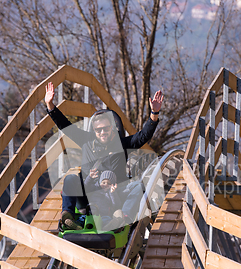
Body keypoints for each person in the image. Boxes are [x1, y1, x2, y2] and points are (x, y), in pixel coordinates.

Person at [44, 82, 163, 230]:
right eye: (98, 130)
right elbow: (65, 126)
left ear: (113, 129)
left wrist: (154, 114)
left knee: (138, 186)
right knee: (70, 178)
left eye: (106, 129)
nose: (102, 132)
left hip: (114, 194)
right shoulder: (86, 141)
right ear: (94, 131)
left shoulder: (122, 144)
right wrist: (50, 106)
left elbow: (142, 136)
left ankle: (122, 218)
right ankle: (67, 216)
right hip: (89, 193)